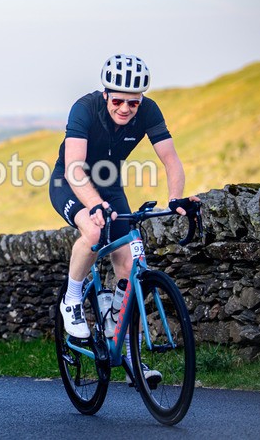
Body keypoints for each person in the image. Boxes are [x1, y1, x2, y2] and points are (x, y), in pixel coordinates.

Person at [49, 54, 200, 382]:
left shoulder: (149, 111)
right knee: (92, 231)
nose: (125, 109)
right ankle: (72, 301)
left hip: (109, 183)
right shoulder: (84, 109)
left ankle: (126, 349)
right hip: (69, 182)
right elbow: (75, 166)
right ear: (106, 95)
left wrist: (176, 197)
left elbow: (171, 159)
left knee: (129, 264)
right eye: (117, 100)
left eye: (133, 103)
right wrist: (93, 204)